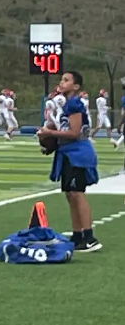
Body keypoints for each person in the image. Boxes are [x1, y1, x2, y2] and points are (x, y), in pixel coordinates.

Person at [37, 70, 101, 252]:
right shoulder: (67, 104)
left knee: (77, 193)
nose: (61, 82)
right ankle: (77, 234)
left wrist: (50, 133)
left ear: (76, 86)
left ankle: (89, 237)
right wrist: (50, 143)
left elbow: (74, 133)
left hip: (77, 154)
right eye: (61, 79)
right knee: (70, 195)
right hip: (68, 153)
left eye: (66, 80)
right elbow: (65, 131)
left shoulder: (74, 103)